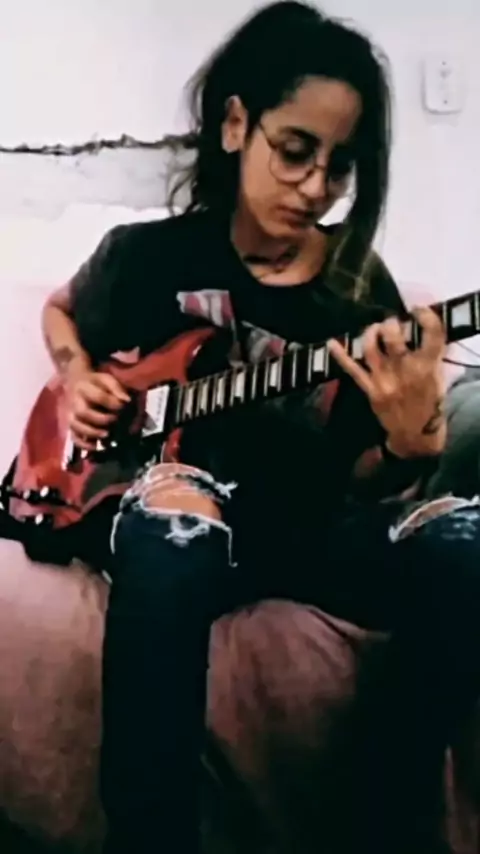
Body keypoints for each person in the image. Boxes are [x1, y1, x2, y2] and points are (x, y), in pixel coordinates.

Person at [39, 2, 480, 852]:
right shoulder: (147, 256)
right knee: (174, 527)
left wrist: (406, 450)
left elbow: (361, 478)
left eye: (340, 165)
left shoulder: (359, 289)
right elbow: (61, 311)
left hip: (307, 526)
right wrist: (76, 378)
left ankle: (381, 828)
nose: (315, 186)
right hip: (179, 519)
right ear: (237, 124)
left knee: (467, 543)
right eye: (296, 150)